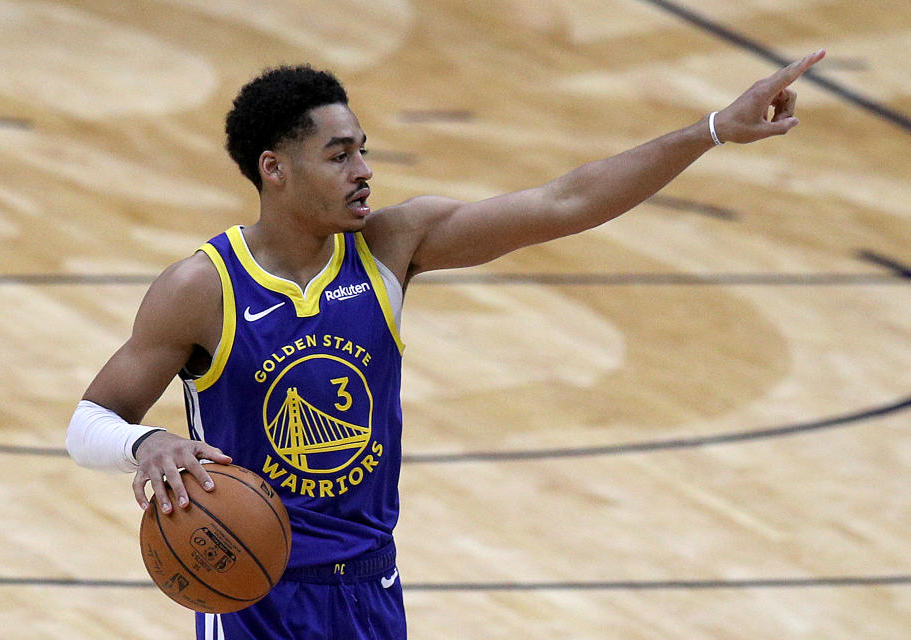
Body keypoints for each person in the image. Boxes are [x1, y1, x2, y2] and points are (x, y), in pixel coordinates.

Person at [66, 49, 826, 640]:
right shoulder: (203, 288)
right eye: (339, 156)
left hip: (369, 586)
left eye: (363, 150)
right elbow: (87, 423)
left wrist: (714, 130)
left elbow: (567, 201)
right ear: (275, 169)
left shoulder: (394, 245)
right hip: (251, 590)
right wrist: (148, 445)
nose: (365, 171)